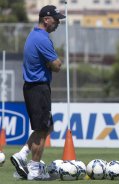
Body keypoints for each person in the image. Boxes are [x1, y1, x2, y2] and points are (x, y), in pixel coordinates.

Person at [10, 5, 64, 180]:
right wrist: (56, 62)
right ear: (46, 19)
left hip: (34, 87)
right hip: (38, 87)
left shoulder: (34, 35)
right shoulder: (42, 39)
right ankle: (34, 169)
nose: (57, 23)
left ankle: (22, 154)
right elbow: (56, 65)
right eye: (55, 19)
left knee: (48, 126)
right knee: (42, 129)